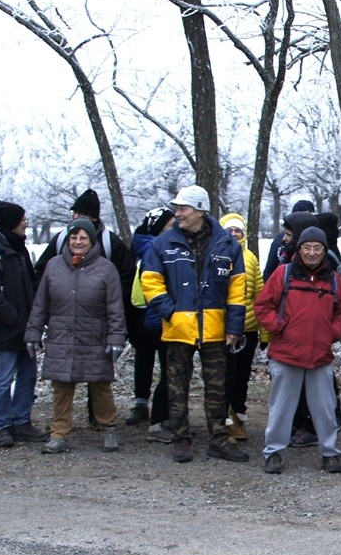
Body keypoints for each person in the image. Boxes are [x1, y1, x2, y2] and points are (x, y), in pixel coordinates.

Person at [140, 185, 249, 463]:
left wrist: (235, 327)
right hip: (178, 329)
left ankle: (219, 440)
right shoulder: (162, 243)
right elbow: (150, 282)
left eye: (183, 208)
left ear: (200, 210)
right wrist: (170, 312)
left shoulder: (227, 244)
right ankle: (181, 439)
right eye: (177, 208)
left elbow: (238, 290)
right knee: (177, 387)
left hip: (215, 330)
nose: (177, 213)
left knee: (218, 388)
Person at [254, 226, 341, 474]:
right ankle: (273, 452)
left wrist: (333, 332)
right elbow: (263, 305)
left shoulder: (333, 280)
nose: (311, 253)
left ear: (324, 250)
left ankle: (330, 453)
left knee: (325, 408)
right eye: (306, 247)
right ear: (299, 249)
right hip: (286, 355)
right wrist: (278, 327)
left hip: (320, 356)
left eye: (316, 248)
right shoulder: (283, 274)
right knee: (281, 408)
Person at [25, 219, 127, 454]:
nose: (77, 242)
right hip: (61, 336)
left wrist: (116, 338)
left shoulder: (106, 268)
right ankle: (59, 433)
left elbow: (114, 307)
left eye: (83, 238)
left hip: (94, 337)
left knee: (100, 385)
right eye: (73, 237)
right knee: (61, 387)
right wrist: (33, 331)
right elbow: (41, 303)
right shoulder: (53, 266)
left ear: (91, 242)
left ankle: (108, 427)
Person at [0, 200, 46, 447]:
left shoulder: (18, 247)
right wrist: (15, 319)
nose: (26, 222)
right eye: (23, 218)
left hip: (27, 327)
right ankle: (1, 425)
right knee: (3, 378)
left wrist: (36, 316)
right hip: (6, 328)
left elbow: (31, 284)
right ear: (11, 222)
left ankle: (21, 422)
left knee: (28, 376)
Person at [127, 207, 175, 433]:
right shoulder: (156, 249)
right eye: (169, 226)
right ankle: (160, 418)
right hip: (157, 316)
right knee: (170, 368)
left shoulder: (140, 244)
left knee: (147, 361)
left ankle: (145, 405)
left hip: (141, 315)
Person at [220, 213, 262, 442]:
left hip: (248, 328)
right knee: (226, 376)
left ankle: (238, 419)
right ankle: (222, 421)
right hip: (224, 329)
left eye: (238, 230)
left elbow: (260, 293)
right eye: (230, 230)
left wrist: (264, 331)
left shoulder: (250, 257)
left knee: (242, 377)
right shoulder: (215, 254)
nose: (234, 234)